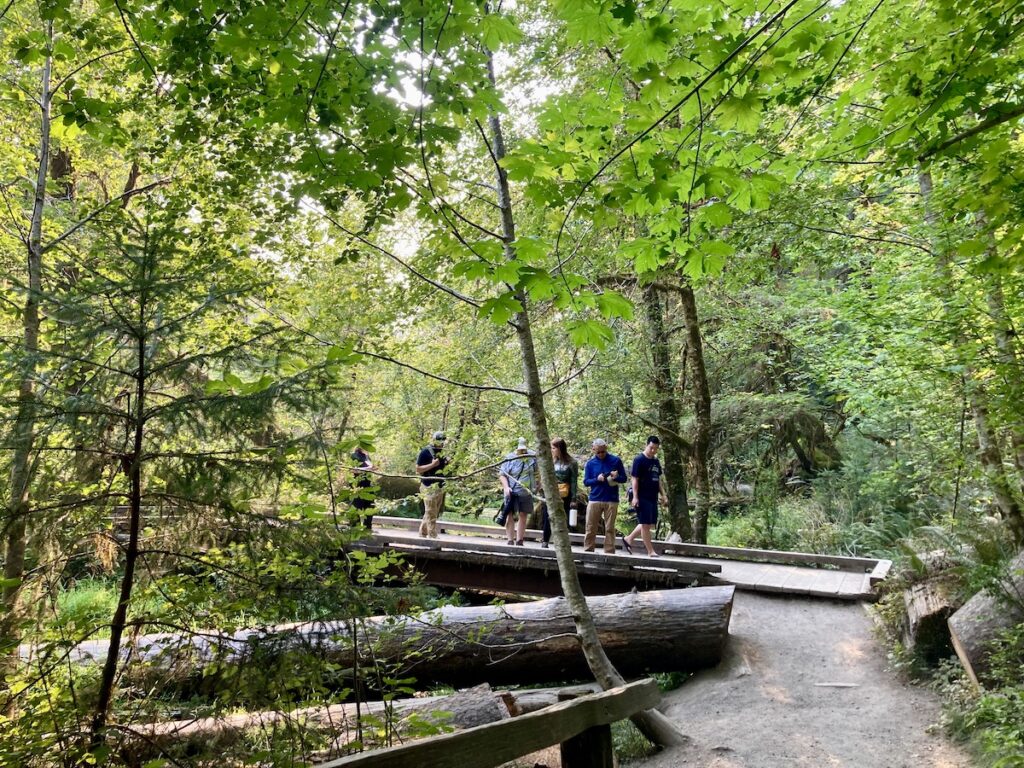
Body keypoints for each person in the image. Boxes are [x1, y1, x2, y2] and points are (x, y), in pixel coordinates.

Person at [624, 435, 669, 557]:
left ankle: (628, 539)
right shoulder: (639, 460)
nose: (653, 451)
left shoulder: (655, 461)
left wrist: (663, 495)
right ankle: (650, 551)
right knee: (645, 525)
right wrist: (635, 497)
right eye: (651, 448)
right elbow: (634, 479)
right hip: (642, 496)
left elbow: (657, 479)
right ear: (646, 445)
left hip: (652, 496)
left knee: (648, 523)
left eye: (655, 449)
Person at [582, 438, 627, 553]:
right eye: (598, 452)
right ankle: (588, 550)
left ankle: (609, 551)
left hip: (611, 499)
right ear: (593, 450)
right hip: (595, 498)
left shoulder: (616, 461)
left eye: (603, 451)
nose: (601, 454)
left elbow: (624, 478)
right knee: (590, 527)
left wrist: (616, 477)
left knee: (610, 528)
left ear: (606, 449)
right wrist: (597, 479)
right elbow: (586, 482)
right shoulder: (590, 464)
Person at [540, 437, 578, 548]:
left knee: (562, 518)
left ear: (559, 448)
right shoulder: (550, 461)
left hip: (565, 494)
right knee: (547, 516)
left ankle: (562, 542)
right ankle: (545, 540)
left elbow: (574, 481)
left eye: (553, 448)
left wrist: (574, 498)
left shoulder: (571, 463)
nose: (551, 450)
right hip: (550, 493)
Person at [499, 437, 537, 546]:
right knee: (509, 515)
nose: (522, 452)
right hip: (512, 492)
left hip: (526, 492)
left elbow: (538, 473)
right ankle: (510, 539)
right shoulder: (510, 458)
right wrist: (506, 488)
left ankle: (520, 540)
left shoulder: (532, 457)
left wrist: (537, 486)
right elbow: (502, 475)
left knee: (523, 514)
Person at [416, 431, 449, 538]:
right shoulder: (425, 452)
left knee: (433, 511)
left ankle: (423, 532)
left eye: (442, 441)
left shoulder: (443, 452)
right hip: (428, 486)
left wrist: (448, 463)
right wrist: (432, 465)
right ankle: (433, 535)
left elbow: (443, 468)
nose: (441, 443)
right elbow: (418, 469)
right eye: (439, 440)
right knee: (431, 512)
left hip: (440, 486)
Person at [351, 445, 375, 530]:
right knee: (357, 508)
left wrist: (373, 468)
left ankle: (367, 528)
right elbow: (354, 470)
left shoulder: (367, 456)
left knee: (370, 507)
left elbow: (370, 468)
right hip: (358, 486)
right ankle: (355, 530)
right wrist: (368, 468)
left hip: (368, 485)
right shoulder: (354, 455)